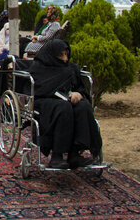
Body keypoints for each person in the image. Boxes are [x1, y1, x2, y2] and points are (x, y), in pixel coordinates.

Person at [30, 39, 103, 169]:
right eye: (61, 55)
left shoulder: (71, 68)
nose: (64, 59)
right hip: (45, 101)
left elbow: (80, 88)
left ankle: (75, 153)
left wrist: (78, 94)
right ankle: (57, 155)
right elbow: (39, 90)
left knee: (83, 106)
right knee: (63, 108)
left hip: (68, 99)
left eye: (66, 55)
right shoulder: (39, 68)